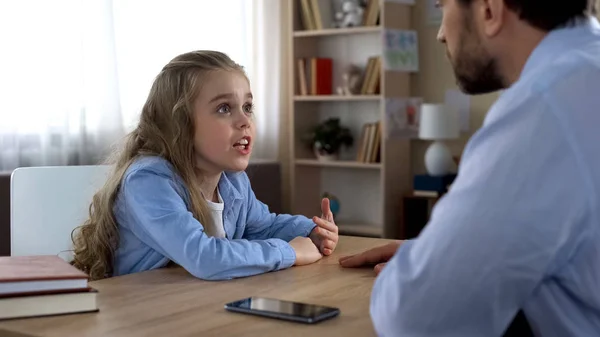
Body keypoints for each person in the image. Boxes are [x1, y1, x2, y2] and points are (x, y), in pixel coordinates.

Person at [340, 0, 600, 336]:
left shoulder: (546, 107)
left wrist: (431, 265)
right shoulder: (585, 74)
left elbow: (416, 317)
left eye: (442, 6)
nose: (439, 34)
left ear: (489, 10)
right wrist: (444, 248)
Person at [71, 50, 339, 281]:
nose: (244, 120)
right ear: (180, 124)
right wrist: (290, 252)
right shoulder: (148, 181)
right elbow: (204, 257)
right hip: (143, 316)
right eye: (224, 108)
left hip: (199, 307)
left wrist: (311, 230)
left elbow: (264, 227)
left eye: (247, 106)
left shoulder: (232, 181)